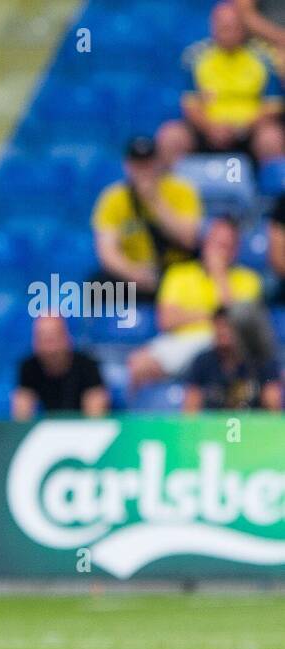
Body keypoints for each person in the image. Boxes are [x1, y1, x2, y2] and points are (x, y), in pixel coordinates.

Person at [130, 218, 263, 387]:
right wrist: (212, 315)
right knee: (138, 364)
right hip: (184, 340)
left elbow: (237, 324)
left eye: (225, 246)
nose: (219, 251)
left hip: (226, 343)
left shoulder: (249, 281)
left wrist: (219, 276)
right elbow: (167, 320)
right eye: (215, 243)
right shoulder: (178, 274)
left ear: (235, 251)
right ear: (205, 243)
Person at [158, 1, 285, 166]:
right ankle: (173, 189)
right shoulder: (195, 57)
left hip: (249, 130)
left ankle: (276, 190)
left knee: (271, 138)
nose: (228, 33)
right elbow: (190, 104)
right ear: (213, 27)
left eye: (233, 27)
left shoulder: (264, 59)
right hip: (207, 129)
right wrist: (211, 128)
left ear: (243, 28)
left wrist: (241, 127)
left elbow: (272, 107)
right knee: (171, 136)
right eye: (224, 27)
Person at [91, 136, 202, 301]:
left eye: (148, 163)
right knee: (96, 287)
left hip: (175, 269)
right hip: (135, 270)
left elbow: (189, 239)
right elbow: (107, 252)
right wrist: (135, 274)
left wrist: (155, 201)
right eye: (138, 164)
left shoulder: (182, 190)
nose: (144, 169)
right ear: (127, 166)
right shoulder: (113, 198)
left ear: (158, 163)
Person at [12, 313, 109, 419]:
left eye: (53, 339)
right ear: (35, 342)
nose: (50, 348)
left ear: (67, 338)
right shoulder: (28, 367)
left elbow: (96, 417)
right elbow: (21, 416)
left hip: (81, 429)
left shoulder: (87, 365)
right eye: (43, 339)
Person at [184, 307, 283, 410]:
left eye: (227, 326)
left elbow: (274, 408)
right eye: (217, 325)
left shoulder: (261, 360)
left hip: (253, 423)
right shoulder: (202, 361)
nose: (221, 331)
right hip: (214, 424)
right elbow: (190, 409)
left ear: (242, 330)